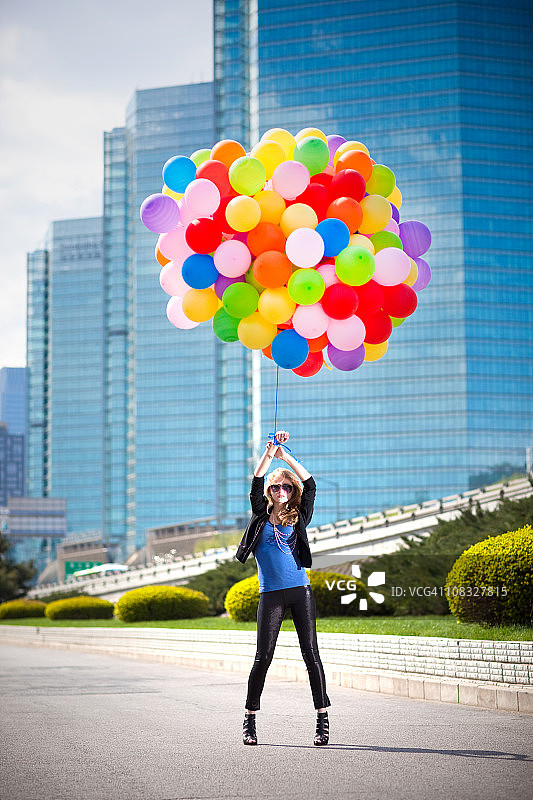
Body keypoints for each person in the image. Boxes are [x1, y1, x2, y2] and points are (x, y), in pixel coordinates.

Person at [235, 430, 331, 747]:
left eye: (286, 486)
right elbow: (256, 479)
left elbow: (311, 484)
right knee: (263, 657)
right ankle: (249, 720)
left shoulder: (299, 516)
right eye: (275, 486)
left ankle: (322, 720)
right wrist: (269, 453)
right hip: (271, 595)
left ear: (292, 490)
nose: (280, 491)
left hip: (300, 592)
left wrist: (285, 456)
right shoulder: (259, 516)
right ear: (269, 491)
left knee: (311, 655)